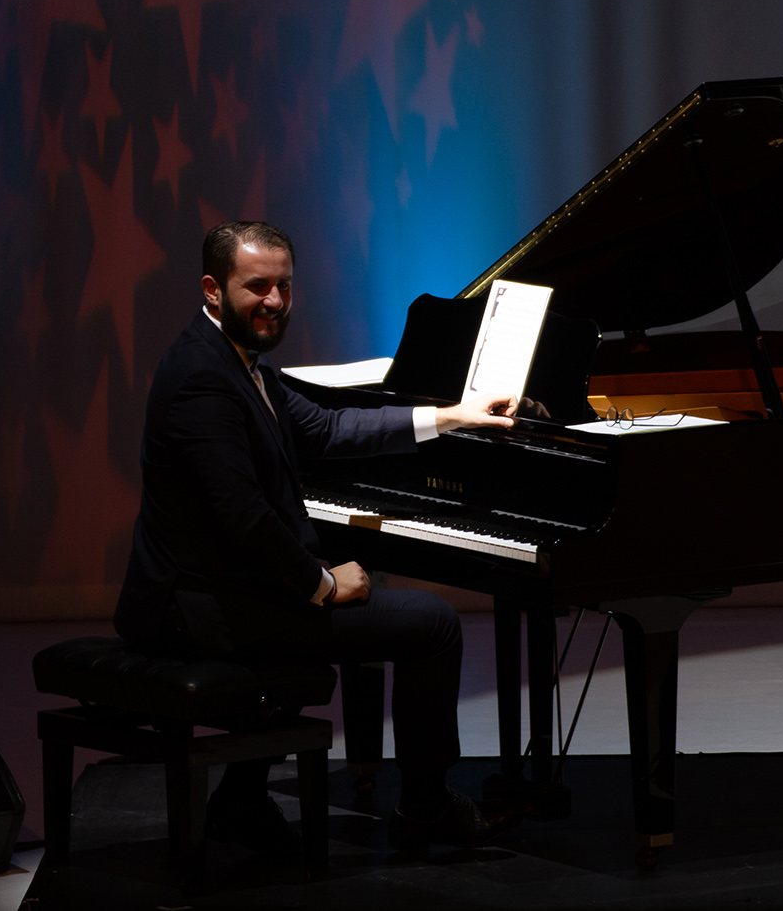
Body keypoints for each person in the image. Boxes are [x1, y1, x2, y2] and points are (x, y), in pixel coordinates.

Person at [114, 220, 522, 854]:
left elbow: (329, 429)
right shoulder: (202, 377)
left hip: (230, 594)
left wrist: (450, 416)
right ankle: (425, 806)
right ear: (213, 289)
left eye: (284, 286)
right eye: (257, 286)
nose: (275, 301)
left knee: (379, 609)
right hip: (200, 611)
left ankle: (240, 799)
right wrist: (322, 585)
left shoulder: (237, 361)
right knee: (433, 624)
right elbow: (242, 516)